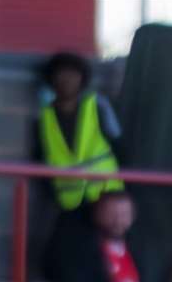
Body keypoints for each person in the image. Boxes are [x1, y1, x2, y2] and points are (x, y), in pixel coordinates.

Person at [36, 51, 123, 212]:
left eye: (73, 74)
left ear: (82, 79)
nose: (67, 80)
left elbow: (119, 145)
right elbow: (41, 157)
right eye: (61, 74)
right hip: (69, 200)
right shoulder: (44, 117)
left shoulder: (97, 105)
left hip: (106, 194)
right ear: (52, 80)